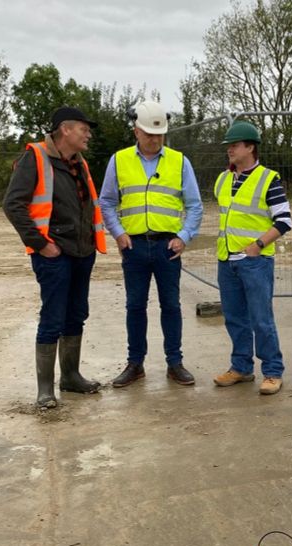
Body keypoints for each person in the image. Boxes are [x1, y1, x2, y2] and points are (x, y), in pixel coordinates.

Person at [3, 106, 107, 408]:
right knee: (53, 317)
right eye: (84, 129)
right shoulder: (34, 158)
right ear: (65, 129)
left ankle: (71, 377)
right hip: (53, 255)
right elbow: (13, 205)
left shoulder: (79, 162)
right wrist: (40, 244)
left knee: (76, 315)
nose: (88, 134)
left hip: (82, 252)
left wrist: (89, 243)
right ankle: (45, 390)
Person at [99, 100, 203, 387]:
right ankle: (135, 364)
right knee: (135, 306)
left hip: (167, 248)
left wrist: (183, 237)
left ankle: (175, 363)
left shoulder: (180, 162)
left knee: (171, 306)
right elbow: (106, 202)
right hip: (133, 247)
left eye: (159, 135)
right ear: (136, 132)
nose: (155, 139)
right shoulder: (118, 160)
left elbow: (195, 205)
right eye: (149, 134)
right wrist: (119, 234)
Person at [212, 121, 292, 395]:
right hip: (227, 260)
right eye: (228, 147)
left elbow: (284, 220)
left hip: (255, 263)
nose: (229, 150)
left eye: (234, 145)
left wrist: (258, 245)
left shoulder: (269, 179)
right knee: (234, 318)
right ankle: (241, 368)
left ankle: (272, 371)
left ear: (250, 147)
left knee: (261, 320)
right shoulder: (223, 179)